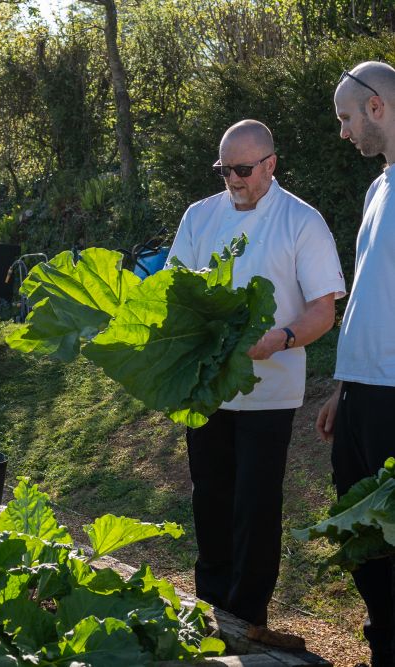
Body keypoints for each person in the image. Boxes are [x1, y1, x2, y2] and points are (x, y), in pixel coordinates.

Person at [168, 119, 345, 648]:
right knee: (210, 499)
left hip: (271, 391)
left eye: (243, 170)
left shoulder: (301, 222)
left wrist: (282, 337)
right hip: (207, 386)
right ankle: (212, 610)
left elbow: (323, 310)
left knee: (256, 505)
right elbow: (175, 290)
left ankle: (247, 618)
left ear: (270, 164)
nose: (234, 180)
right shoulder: (200, 216)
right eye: (224, 170)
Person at [317, 61, 395, 667]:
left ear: (377, 108)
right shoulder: (378, 189)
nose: (343, 133)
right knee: (363, 534)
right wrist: (343, 388)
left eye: (346, 118)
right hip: (363, 392)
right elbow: (370, 297)